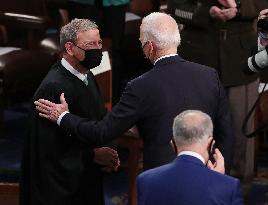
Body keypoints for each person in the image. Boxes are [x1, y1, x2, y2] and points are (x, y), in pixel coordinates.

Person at [34, 12, 235, 172]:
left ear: (149, 47)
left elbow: (103, 131)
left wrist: (63, 117)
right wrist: (219, 168)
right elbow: (226, 133)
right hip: (208, 173)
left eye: (141, 42)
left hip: (161, 181)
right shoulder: (210, 76)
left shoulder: (140, 86)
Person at [167, 0, 268, 192]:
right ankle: (195, 193)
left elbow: (264, 3)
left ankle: (239, 193)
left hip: (241, 63)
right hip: (198, 62)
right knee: (195, 136)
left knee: (241, 137)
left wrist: (239, 8)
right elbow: (176, 9)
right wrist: (207, 13)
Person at [20, 19, 120, 205]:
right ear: (69, 47)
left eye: (99, 43)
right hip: (60, 191)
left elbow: (99, 116)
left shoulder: (86, 74)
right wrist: (93, 155)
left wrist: (109, 149)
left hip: (87, 178)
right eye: (90, 44)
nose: (98, 50)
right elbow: (46, 150)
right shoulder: (54, 88)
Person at [137, 110, 243, 205]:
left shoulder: (145, 180)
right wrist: (218, 180)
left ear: (173, 144)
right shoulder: (229, 187)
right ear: (211, 144)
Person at [67, 0, 129, 105]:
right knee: (81, 52)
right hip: (82, 5)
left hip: (113, 4)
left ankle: (112, 103)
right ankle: (81, 103)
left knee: (113, 53)